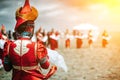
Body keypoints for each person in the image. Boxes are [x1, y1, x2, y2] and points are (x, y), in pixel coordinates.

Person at [3, 0, 56, 80]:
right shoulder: (37, 47)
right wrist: (46, 57)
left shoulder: (8, 46)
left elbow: (7, 68)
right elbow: (46, 66)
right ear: (30, 28)